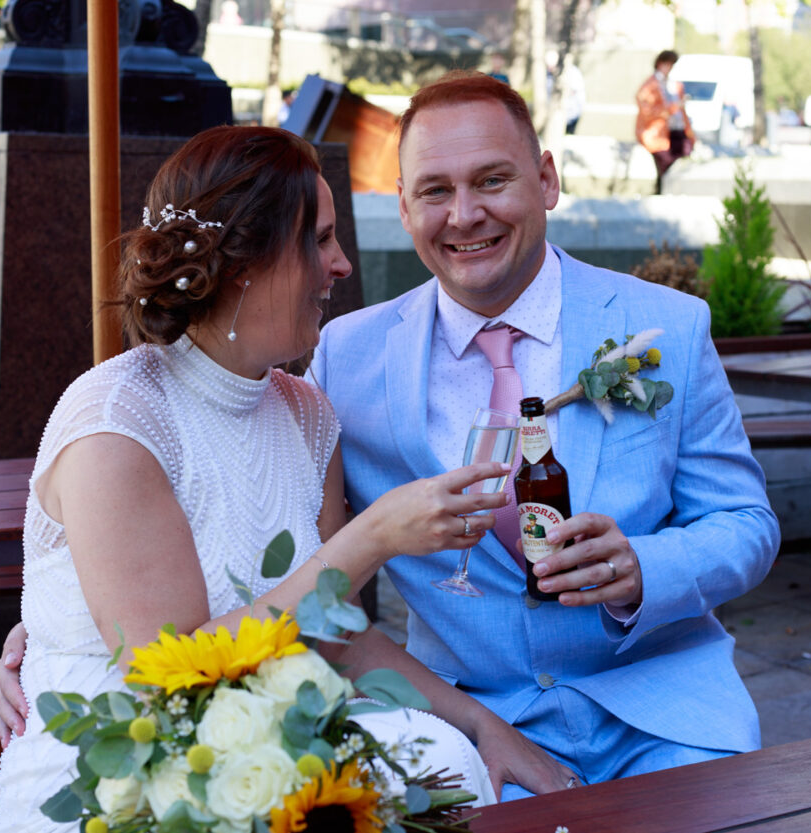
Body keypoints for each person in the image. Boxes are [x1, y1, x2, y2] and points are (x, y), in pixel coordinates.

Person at [0, 125, 571, 831]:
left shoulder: (306, 414)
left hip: (275, 732)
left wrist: (484, 725)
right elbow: (175, 676)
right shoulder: (119, 424)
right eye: (320, 239)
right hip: (128, 766)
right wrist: (374, 536)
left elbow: (334, 637)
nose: (342, 263)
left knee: (448, 759)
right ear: (246, 263)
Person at [307, 71, 779, 800]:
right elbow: (325, 583)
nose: (465, 215)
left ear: (547, 179)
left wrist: (643, 568)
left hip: (664, 712)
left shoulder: (667, 328)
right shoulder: (346, 357)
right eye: (435, 190)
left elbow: (747, 524)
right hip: (472, 725)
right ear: (403, 207)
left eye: (492, 180)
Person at [636, 50, 694, 193]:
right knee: (664, 164)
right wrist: (672, 108)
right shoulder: (651, 86)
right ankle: (660, 192)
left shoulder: (674, 85)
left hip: (676, 130)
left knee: (684, 155)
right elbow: (647, 111)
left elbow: (681, 111)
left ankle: (666, 192)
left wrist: (690, 130)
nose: (669, 68)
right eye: (667, 64)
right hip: (657, 134)